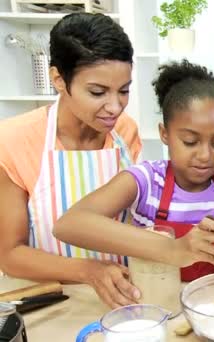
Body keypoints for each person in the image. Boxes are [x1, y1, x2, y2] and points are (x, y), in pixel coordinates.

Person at [54, 60, 214, 300]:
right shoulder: (147, 181)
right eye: (190, 142)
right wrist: (175, 249)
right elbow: (69, 224)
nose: (205, 155)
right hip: (158, 306)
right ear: (165, 134)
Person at [0, 13, 142, 307]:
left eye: (124, 90)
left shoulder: (125, 132)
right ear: (58, 80)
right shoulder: (15, 140)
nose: (115, 107)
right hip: (54, 300)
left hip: (125, 297)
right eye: (97, 92)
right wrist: (90, 272)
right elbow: (10, 254)